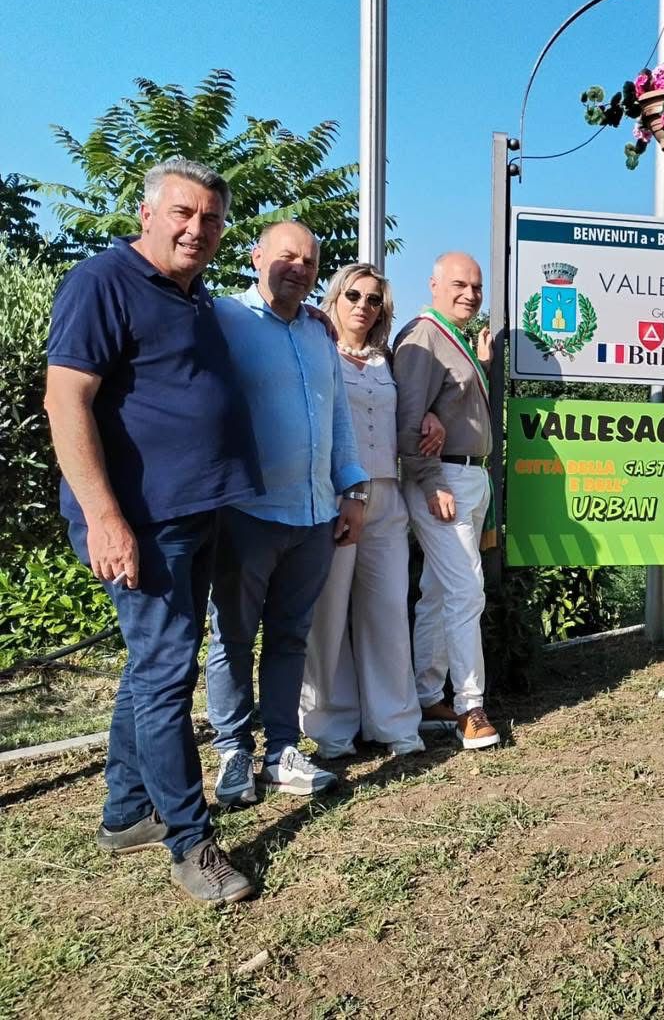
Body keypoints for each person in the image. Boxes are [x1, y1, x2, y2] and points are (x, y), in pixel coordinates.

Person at [44, 157, 260, 904]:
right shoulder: (102, 282)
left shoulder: (195, 298)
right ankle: (190, 842)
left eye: (210, 217)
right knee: (169, 674)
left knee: (151, 668)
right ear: (146, 214)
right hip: (143, 522)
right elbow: (65, 400)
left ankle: (125, 812)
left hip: (197, 513)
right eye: (182, 212)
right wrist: (106, 518)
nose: (197, 228)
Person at [206, 222, 369, 807]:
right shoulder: (225, 319)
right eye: (286, 256)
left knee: (289, 637)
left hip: (315, 515)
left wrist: (353, 491)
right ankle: (231, 752)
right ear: (256, 258)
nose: (298, 266)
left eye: (308, 259)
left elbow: (340, 421)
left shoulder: (318, 335)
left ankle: (280, 751)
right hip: (245, 514)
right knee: (232, 635)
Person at [299, 263, 447, 759]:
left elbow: (408, 413)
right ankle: (331, 728)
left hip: (387, 496)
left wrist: (430, 415)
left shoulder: (388, 362)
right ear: (336, 298)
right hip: (336, 495)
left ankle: (396, 724)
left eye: (374, 299)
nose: (363, 306)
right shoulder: (317, 352)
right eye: (354, 295)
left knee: (387, 613)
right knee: (330, 615)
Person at [394, 252, 500, 750]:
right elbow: (408, 418)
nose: (470, 294)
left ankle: (427, 694)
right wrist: (430, 479)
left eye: (477, 287)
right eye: (459, 284)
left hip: (468, 477)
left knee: (439, 590)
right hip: (445, 478)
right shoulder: (422, 336)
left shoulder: (451, 338)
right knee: (466, 590)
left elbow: (441, 405)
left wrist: (478, 366)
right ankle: (469, 706)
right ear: (433, 283)